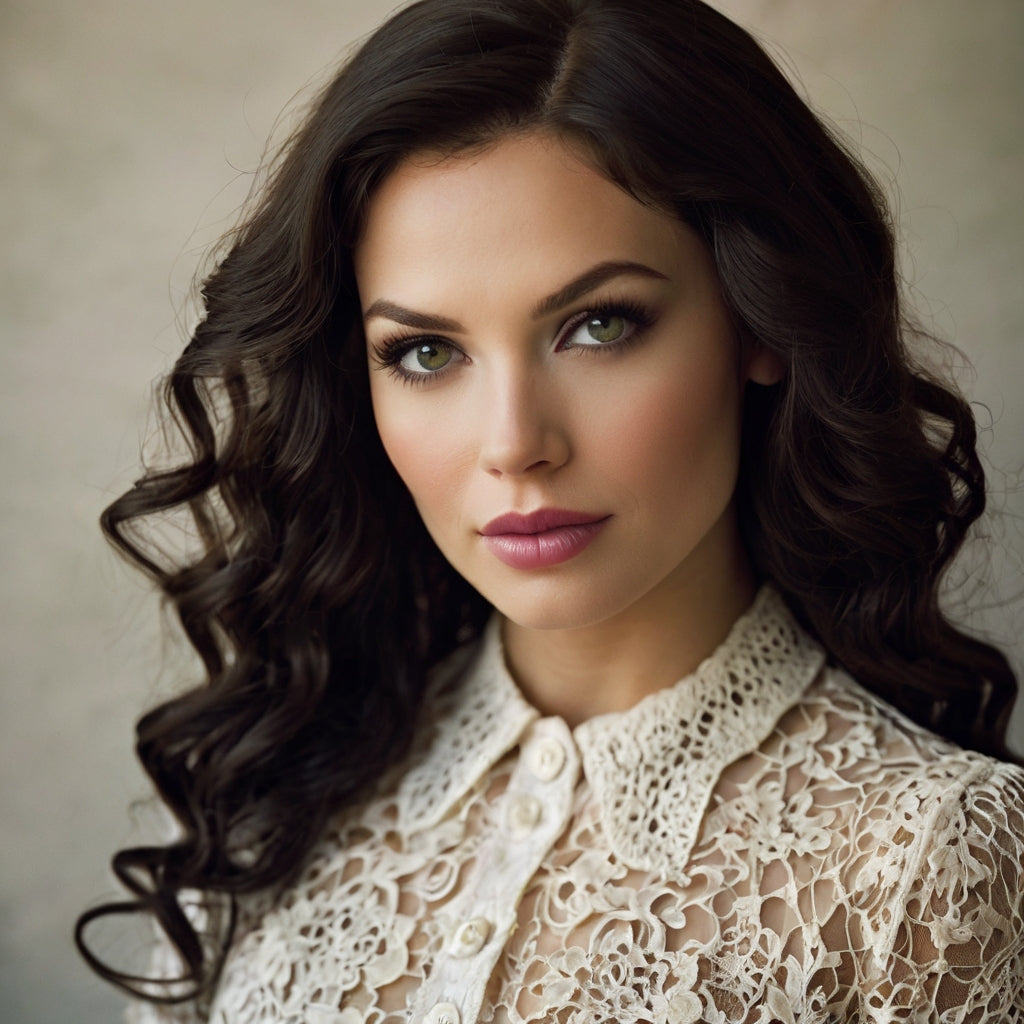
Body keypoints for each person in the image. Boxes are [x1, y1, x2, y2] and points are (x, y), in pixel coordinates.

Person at [77, 0, 1024, 1020]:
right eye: (425, 352)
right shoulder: (271, 784)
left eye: (599, 326)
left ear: (760, 321)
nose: (514, 442)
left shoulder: (925, 861)